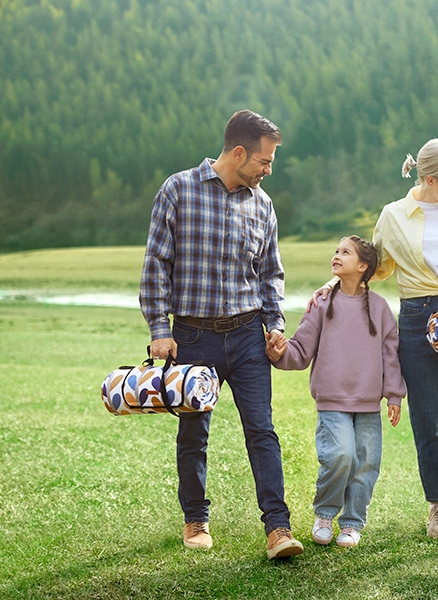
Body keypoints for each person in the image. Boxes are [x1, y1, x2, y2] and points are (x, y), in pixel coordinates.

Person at [311, 138, 438, 546]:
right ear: (429, 178)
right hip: (416, 321)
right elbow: (374, 267)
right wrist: (332, 284)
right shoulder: (393, 216)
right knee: (428, 420)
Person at [139, 109, 304, 559]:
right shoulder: (178, 190)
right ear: (238, 153)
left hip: (250, 334)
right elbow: (156, 265)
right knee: (194, 434)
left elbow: (271, 273)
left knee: (262, 430)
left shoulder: (262, 203)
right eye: (265, 161)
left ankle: (278, 528)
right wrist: (159, 329)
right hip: (193, 337)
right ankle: (196, 519)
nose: (269, 170)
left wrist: (275, 325)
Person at [266, 235, 405, 548]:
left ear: (363, 265)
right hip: (332, 400)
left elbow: (391, 355)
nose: (337, 256)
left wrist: (394, 395)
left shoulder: (381, 308)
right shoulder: (322, 304)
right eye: (336, 251)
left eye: (346, 252)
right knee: (340, 455)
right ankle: (325, 513)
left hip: (369, 403)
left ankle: (352, 522)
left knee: (366, 463)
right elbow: (300, 349)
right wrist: (279, 353)